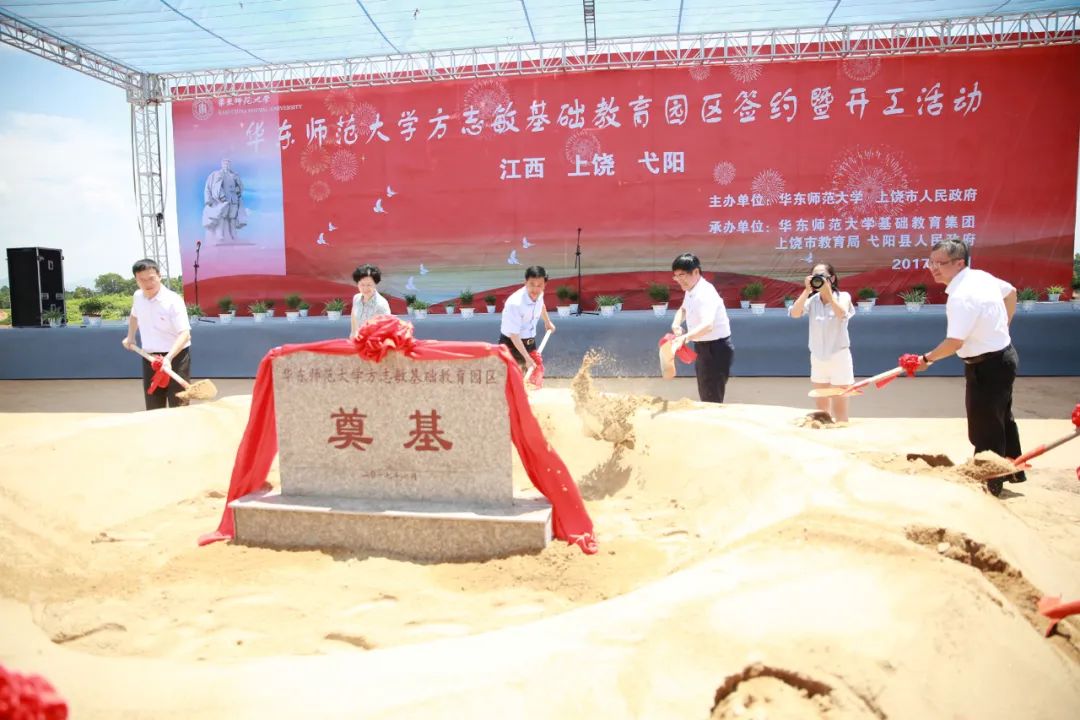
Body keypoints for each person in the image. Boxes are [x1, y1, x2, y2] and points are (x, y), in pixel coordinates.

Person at [914, 239, 1022, 496]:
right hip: (1001, 357)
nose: (934, 268)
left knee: (985, 426)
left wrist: (926, 360)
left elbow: (954, 342)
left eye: (940, 263)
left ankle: (990, 482)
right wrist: (1003, 327)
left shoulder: (962, 296)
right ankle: (1012, 469)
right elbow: (1011, 292)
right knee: (1000, 418)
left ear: (959, 263)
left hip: (989, 365)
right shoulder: (980, 277)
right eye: (931, 262)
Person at [788, 262, 856, 423]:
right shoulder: (812, 300)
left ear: (832, 278)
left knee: (840, 410)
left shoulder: (843, 296)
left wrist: (828, 295)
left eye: (822, 276)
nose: (818, 279)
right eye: (815, 276)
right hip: (818, 357)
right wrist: (806, 290)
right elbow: (795, 314)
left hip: (839, 357)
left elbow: (842, 314)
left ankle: (842, 432)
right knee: (822, 412)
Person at [121, 258, 192, 410]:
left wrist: (169, 358)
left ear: (159, 276)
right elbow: (134, 316)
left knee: (179, 404)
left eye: (151, 278)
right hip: (150, 358)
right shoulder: (138, 296)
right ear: (136, 280)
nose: (147, 283)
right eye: (142, 280)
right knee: (153, 405)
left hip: (176, 357)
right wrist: (131, 336)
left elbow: (185, 333)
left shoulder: (173, 300)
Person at [669, 253, 734, 403]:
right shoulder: (691, 289)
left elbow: (708, 325)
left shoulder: (705, 293)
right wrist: (676, 324)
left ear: (696, 272)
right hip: (702, 347)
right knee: (706, 391)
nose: (679, 280)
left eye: (682, 275)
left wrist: (685, 337)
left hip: (716, 348)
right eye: (676, 276)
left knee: (712, 396)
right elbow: (684, 309)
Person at [499, 265, 556, 376]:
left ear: (545, 285)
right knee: (512, 379)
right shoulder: (515, 304)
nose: (535, 289)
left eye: (539, 285)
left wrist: (547, 322)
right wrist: (527, 358)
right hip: (511, 344)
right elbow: (514, 335)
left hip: (530, 342)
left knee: (533, 376)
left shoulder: (539, 293)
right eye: (532, 284)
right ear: (525, 282)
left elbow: (541, 305)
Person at [203, 158, 246, 244]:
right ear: (222, 164)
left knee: (233, 217)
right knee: (222, 216)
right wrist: (216, 197)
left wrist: (238, 189)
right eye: (225, 163)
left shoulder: (234, 175)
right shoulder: (218, 174)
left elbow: (240, 186)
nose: (227, 165)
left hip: (233, 199)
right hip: (223, 199)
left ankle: (233, 234)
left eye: (228, 163)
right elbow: (213, 187)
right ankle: (220, 234)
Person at [350, 264, 391, 339]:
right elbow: (354, 318)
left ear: (375, 284)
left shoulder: (381, 304)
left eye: (369, 285)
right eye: (362, 284)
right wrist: (353, 335)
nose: (365, 288)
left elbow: (386, 330)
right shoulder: (356, 298)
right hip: (357, 342)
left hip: (374, 343)